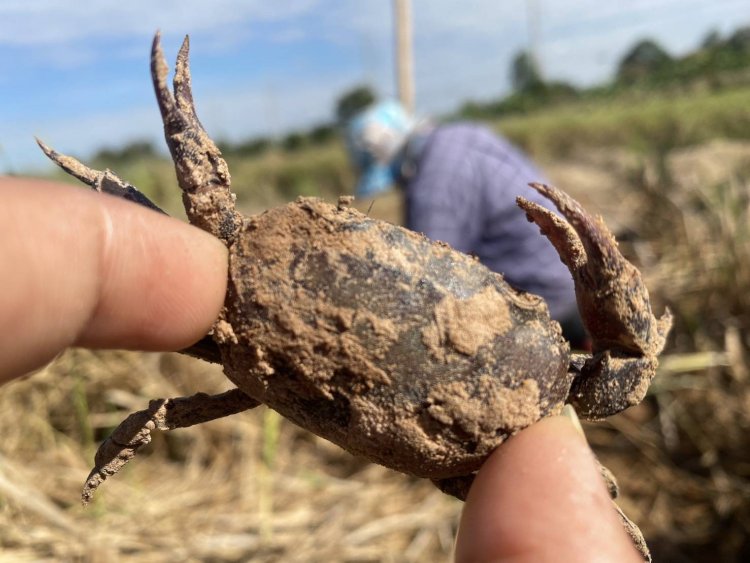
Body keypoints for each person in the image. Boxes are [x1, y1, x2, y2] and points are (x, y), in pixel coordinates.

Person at [0, 176, 640, 560]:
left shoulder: (518, 446)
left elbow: (628, 371)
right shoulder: (227, 316)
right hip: (471, 445)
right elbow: (629, 369)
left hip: (478, 446)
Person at [345, 101, 589, 349]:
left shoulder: (434, 182)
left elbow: (427, 282)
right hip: (571, 278)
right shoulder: (458, 136)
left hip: (546, 299)